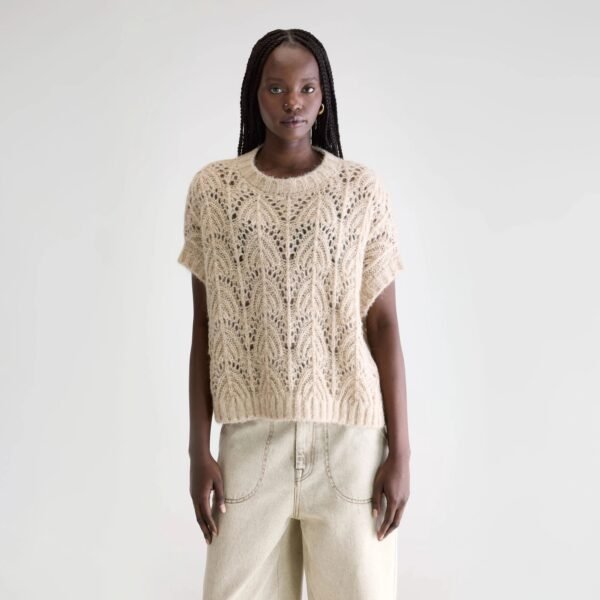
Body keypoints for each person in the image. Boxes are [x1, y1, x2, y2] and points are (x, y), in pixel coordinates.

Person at [177, 28, 411, 600]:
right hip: (250, 445)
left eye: (307, 88)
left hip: (350, 446)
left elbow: (383, 326)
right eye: (277, 87)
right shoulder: (214, 190)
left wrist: (402, 452)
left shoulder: (359, 191)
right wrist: (197, 450)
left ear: (323, 96)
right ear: (254, 95)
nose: (293, 101)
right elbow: (205, 327)